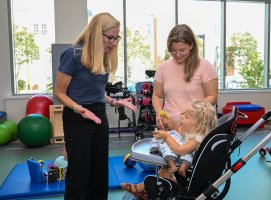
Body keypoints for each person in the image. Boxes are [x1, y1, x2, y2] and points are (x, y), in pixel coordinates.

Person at [54, 12, 137, 200]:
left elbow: (96, 92)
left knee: (99, 171)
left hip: (99, 116)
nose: (114, 43)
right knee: (79, 173)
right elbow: (59, 92)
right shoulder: (73, 54)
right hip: (77, 118)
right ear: (95, 33)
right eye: (110, 37)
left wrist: (114, 101)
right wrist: (80, 109)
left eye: (117, 38)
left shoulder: (103, 57)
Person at [121, 101, 217, 199]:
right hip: (180, 168)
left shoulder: (198, 139)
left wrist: (166, 136)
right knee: (164, 169)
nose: (182, 115)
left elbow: (180, 150)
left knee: (164, 173)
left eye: (186, 116)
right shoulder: (193, 133)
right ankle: (144, 190)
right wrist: (171, 123)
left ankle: (140, 188)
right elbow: (178, 133)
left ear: (197, 125)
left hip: (183, 171)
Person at [152, 24, 218, 131]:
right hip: (169, 127)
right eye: (173, 50)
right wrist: (159, 113)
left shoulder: (205, 66)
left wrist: (192, 111)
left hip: (196, 127)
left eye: (182, 50)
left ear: (191, 45)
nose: (177, 54)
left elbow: (212, 96)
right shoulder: (163, 68)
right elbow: (157, 96)